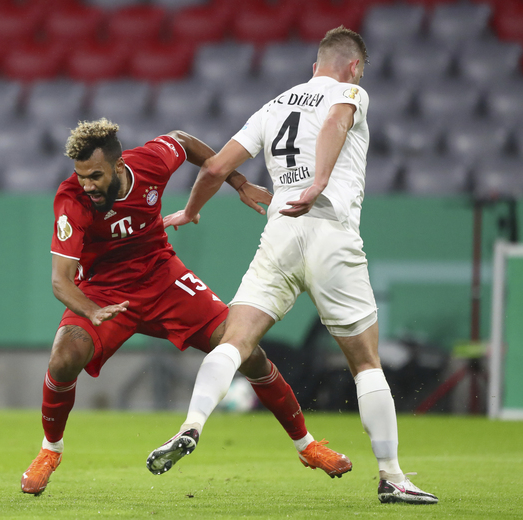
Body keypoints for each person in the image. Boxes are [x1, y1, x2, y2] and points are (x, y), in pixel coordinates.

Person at [146, 27, 438, 505]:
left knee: (233, 342)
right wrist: (319, 180)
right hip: (328, 229)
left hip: (279, 231)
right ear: (355, 66)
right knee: (366, 364)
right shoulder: (351, 92)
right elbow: (334, 124)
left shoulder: (274, 105)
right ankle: (392, 477)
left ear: (315, 63)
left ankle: (191, 424)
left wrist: (193, 210)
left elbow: (215, 167)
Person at [21, 118, 352, 495]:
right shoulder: (71, 200)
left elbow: (185, 141)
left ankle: (307, 446)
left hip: (163, 279)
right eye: (81, 176)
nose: (88, 185)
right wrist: (92, 311)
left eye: (95, 176)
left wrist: (239, 182)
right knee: (63, 358)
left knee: (246, 351)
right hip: (104, 292)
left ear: (119, 165)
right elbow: (60, 281)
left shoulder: (150, 162)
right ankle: (50, 451)